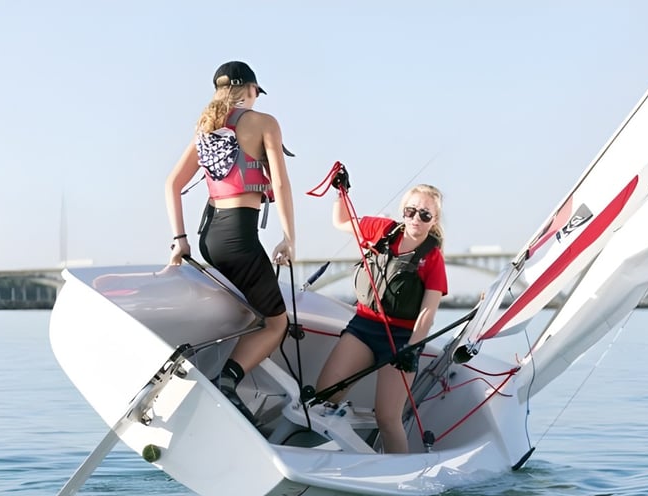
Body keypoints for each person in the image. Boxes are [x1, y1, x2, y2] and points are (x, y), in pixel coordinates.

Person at [165, 60, 295, 420]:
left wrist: (180, 240)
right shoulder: (265, 123)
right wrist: (288, 238)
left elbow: (171, 185)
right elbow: (281, 184)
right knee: (276, 323)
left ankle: (222, 371)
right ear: (251, 89)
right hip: (239, 236)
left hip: (210, 237)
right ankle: (227, 382)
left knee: (253, 307)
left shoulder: (204, 128)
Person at [315, 179, 448, 453]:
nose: (416, 219)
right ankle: (321, 451)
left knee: (387, 418)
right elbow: (342, 221)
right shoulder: (382, 230)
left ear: (434, 220)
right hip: (364, 328)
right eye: (411, 211)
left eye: (425, 215)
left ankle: (401, 476)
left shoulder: (433, 258)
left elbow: (427, 313)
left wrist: (411, 348)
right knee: (324, 397)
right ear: (403, 211)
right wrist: (341, 192)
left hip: (402, 341)